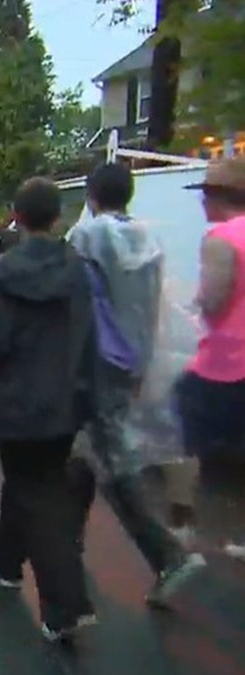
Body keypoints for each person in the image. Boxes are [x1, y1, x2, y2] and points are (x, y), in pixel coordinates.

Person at [0, 177, 96, 642]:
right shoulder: (78, 269)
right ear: (58, 217)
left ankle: (66, 606)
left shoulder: (1, 274)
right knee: (32, 484)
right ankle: (3, 563)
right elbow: (88, 331)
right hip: (66, 398)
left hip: (17, 402)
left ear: (15, 216)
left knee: (38, 494)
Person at [67, 162, 206, 604]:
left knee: (112, 463)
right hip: (131, 360)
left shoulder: (86, 237)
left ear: (91, 195)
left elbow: (73, 301)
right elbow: (152, 303)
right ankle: (67, 546)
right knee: (87, 451)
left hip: (93, 362)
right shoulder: (148, 237)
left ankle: (168, 555)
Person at [166, 155, 245, 561]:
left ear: (218, 197)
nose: (200, 204)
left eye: (204, 195)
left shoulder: (220, 238)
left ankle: (179, 529)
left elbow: (213, 300)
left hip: (224, 362)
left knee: (180, 436)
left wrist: (192, 301)